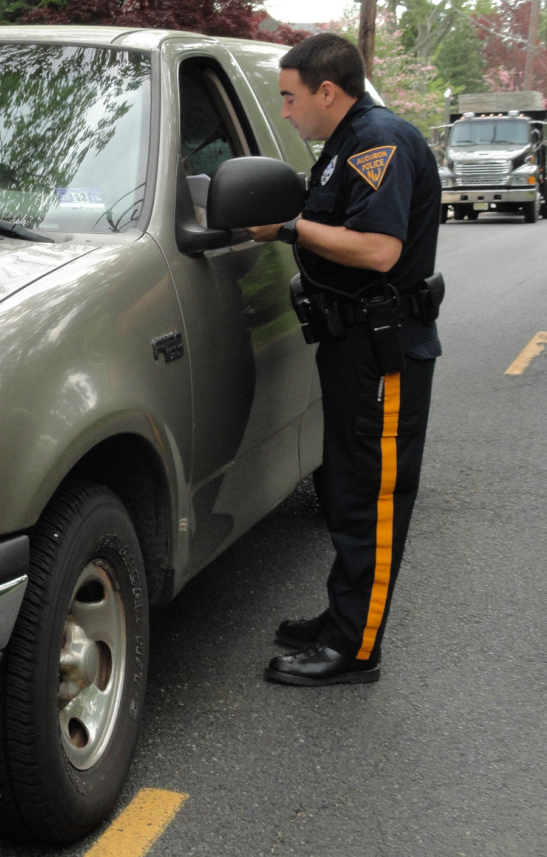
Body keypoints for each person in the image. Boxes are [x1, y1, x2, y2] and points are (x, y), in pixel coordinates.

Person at [245, 33, 443, 686]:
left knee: (374, 502)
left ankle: (357, 650)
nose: (285, 113)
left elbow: (380, 250)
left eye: (289, 98)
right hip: (356, 346)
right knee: (351, 493)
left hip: (383, 352)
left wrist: (289, 229)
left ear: (327, 91)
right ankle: (343, 619)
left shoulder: (378, 140)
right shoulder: (346, 144)